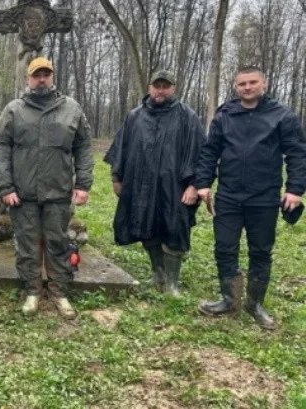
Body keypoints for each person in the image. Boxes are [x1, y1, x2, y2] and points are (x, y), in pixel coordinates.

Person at [195, 66, 306, 330]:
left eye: (252, 82)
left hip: (264, 197)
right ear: (236, 87)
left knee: (260, 251)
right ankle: (228, 299)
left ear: (264, 83)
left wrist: (295, 189)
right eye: (242, 83)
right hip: (229, 196)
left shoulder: (281, 116)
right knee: (224, 248)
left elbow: (297, 154)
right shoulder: (225, 115)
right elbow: (210, 151)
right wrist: (203, 184)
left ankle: (255, 304)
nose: (247, 87)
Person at [0, 57, 94, 319]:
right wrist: (6, 186)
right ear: (28, 79)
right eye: (36, 75)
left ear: (53, 77)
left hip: (58, 192)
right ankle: (32, 291)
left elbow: (83, 146)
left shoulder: (71, 109)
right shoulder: (14, 110)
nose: (41, 79)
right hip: (22, 194)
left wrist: (83, 183)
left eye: (46, 74)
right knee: (27, 244)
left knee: (58, 243)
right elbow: (0, 148)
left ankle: (59, 292)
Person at [104, 70, 205, 296]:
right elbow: (121, 148)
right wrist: (116, 178)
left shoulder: (187, 117)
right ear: (149, 87)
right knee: (145, 227)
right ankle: (157, 273)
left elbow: (200, 153)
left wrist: (194, 186)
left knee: (173, 229)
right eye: (156, 85)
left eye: (165, 86)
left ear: (173, 88)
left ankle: (172, 283)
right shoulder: (135, 116)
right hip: (141, 185)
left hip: (174, 187)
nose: (160, 90)